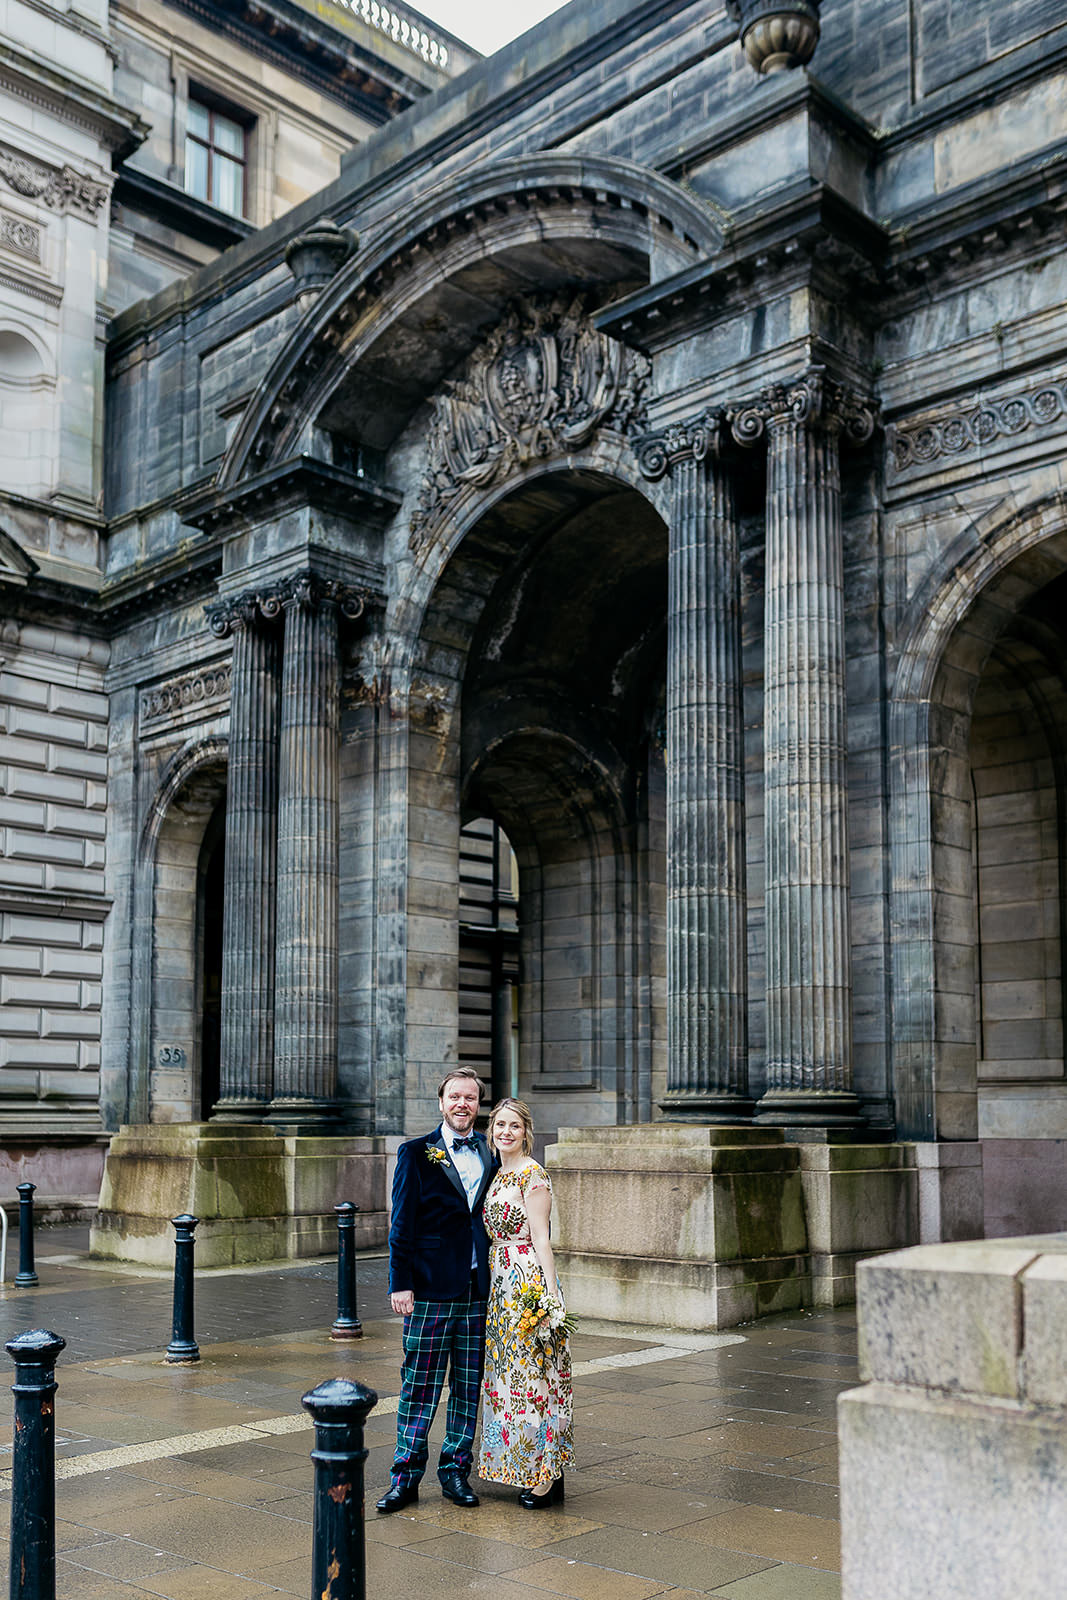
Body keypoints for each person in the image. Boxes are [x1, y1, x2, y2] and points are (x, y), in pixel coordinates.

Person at [376, 1066, 497, 1513]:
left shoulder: (490, 1152)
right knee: (419, 1386)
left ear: (478, 1105)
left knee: (468, 1388)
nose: (462, 1104)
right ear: (441, 1103)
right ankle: (405, 1477)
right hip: (427, 1290)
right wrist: (400, 1284)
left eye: (470, 1098)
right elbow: (401, 1225)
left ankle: (455, 1472)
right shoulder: (414, 1153)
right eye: (455, 1097)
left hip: (476, 1292)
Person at [477, 1097, 574, 1506]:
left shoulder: (532, 1177)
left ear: (525, 1131)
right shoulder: (497, 1175)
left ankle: (546, 1475)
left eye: (514, 1125)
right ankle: (521, 1464)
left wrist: (550, 1300)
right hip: (499, 1289)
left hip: (526, 1284)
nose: (505, 1132)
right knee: (508, 1383)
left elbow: (541, 1239)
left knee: (535, 1381)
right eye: (500, 1124)